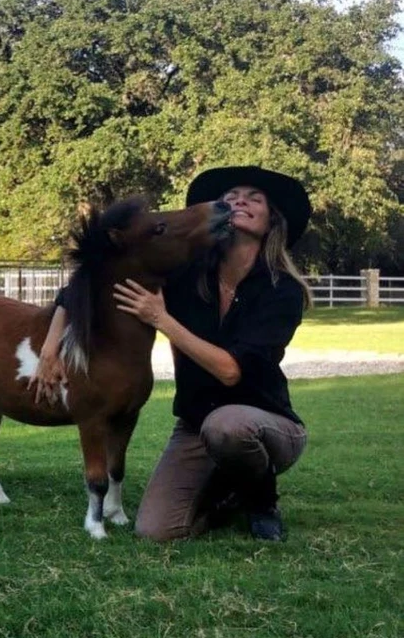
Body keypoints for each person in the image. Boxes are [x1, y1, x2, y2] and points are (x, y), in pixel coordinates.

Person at [33, 165, 312, 542]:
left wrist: (161, 319)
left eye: (254, 198)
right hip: (196, 424)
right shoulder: (186, 275)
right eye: (230, 196)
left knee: (227, 426)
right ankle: (225, 493)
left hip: (265, 424)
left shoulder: (283, 291)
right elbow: (90, 282)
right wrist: (50, 349)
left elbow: (230, 372)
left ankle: (261, 500)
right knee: (155, 530)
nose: (239, 201)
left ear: (271, 221)